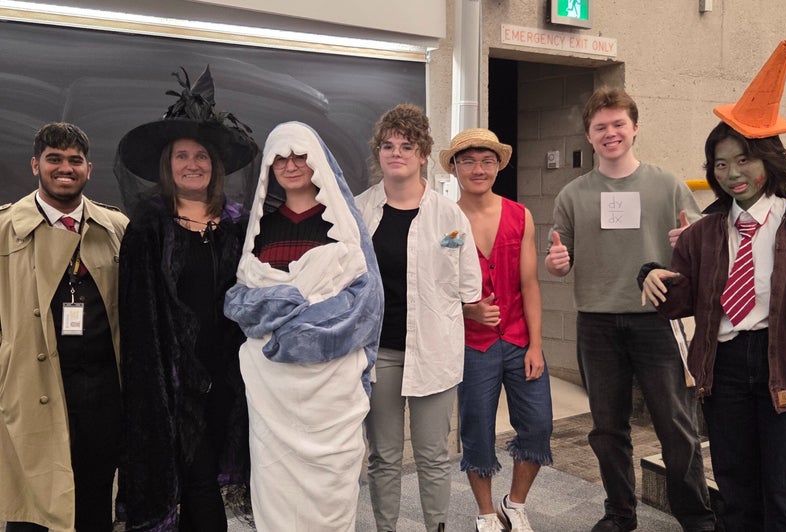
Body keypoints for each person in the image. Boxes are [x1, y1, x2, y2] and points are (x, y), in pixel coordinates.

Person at [640, 40, 786, 531]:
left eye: (743, 160)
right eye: (721, 165)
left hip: (784, 367)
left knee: (785, 491)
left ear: (769, 160)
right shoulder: (704, 232)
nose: (732, 175)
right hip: (723, 368)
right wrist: (650, 275)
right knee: (734, 486)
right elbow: (679, 301)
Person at [545, 87, 716, 532]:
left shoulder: (667, 184)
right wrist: (557, 264)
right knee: (607, 429)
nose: (610, 133)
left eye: (618, 124)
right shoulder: (572, 194)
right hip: (596, 324)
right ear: (588, 134)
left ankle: (696, 517)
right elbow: (560, 258)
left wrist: (688, 246)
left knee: (676, 427)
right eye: (600, 127)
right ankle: (620, 514)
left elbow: (702, 250)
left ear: (634, 128)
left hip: (658, 320)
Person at [114, 66, 257, 530]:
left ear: (214, 165)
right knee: (191, 481)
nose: (192, 164)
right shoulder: (149, 229)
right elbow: (138, 318)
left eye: (201, 156)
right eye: (181, 156)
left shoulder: (236, 226)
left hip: (229, 379)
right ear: (167, 164)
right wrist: (153, 390)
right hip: (171, 385)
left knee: (208, 479)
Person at [224, 121, 383, 531]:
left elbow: (363, 305)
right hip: (271, 386)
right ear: (270, 168)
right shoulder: (261, 229)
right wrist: (289, 302)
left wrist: (298, 326)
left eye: (300, 156)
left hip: (329, 389)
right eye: (281, 158)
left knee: (329, 491)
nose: (291, 165)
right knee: (274, 485)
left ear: (317, 163)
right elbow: (242, 296)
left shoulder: (342, 229)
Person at [355, 104, 482, 532]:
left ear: (423, 152)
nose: (397, 154)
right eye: (388, 146)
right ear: (378, 153)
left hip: (435, 352)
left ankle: (437, 528)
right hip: (380, 354)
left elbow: (470, 287)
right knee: (384, 456)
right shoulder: (358, 212)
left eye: (407, 146)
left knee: (432, 456)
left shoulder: (449, 216)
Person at [0, 122, 128, 531]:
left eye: (75, 161)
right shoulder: (3, 230)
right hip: (29, 390)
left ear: (89, 169)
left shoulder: (117, 230)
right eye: (54, 159)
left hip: (104, 396)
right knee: (32, 510)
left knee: (93, 506)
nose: (65, 168)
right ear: (35, 165)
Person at [440, 128, 553, 532]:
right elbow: (436, 287)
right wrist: (468, 311)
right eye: (467, 160)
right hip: (472, 345)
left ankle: (514, 502)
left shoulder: (519, 214)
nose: (478, 168)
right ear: (454, 168)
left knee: (538, 425)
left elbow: (530, 284)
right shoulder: (444, 218)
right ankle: (486, 511)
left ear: (498, 166)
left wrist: (536, 345)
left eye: (487, 161)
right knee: (477, 430)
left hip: (521, 338)